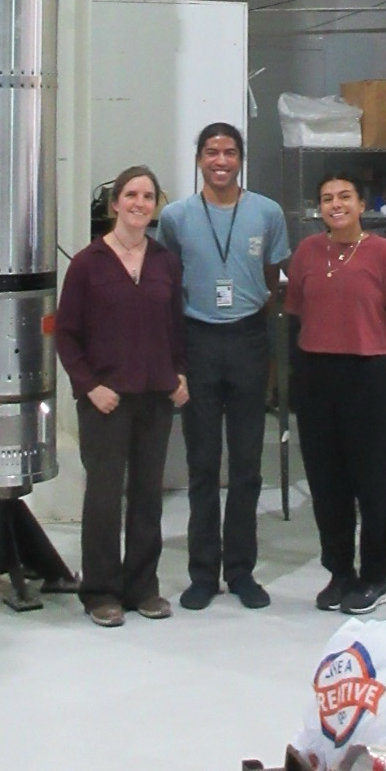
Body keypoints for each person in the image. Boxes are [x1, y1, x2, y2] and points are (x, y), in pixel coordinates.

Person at [156, 122, 290, 611]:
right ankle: (202, 573)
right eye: (211, 152)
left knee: (248, 464)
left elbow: (274, 275)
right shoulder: (175, 217)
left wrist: (257, 318)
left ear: (240, 159)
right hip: (198, 340)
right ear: (199, 159)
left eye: (229, 152)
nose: (220, 160)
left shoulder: (267, 213)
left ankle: (241, 571)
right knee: (202, 463)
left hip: (250, 339)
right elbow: (168, 281)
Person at [285, 170, 386, 615]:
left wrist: (375, 350)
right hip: (315, 375)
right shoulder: (307, 252)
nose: (336, 204)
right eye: (327, 198)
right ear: (318, 208)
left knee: (372, 482)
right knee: (327, 482)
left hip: (368, 375)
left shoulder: (385, 254)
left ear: (361, 205)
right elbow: (299, 313)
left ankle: (375, 575)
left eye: (344, 196)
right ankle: (339, 571)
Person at [55, 165, 189, 627]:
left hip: (154, 397)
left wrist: (179, 374)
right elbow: (67, 336)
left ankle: (142, 588)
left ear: (155, 206)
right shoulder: (87, 264)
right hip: (105, 402)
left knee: (149, 496)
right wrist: (90, 386)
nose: (139, 203)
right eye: (130, 195)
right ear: (115, 203)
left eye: (148, 196)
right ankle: (101, 591)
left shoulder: (165, 262)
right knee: (105, 498)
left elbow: (177, 327)